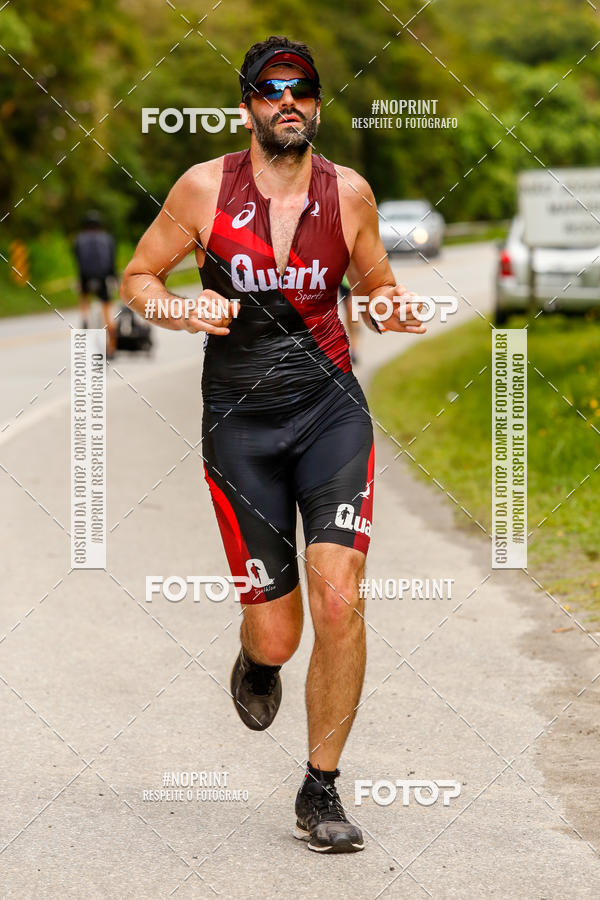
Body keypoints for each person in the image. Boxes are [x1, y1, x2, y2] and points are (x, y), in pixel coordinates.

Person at [121, 35, 426, 855]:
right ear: (249, 105)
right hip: (242, 427)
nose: (287, 101)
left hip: (331, 412)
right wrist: (181, 309)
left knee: (340, 595)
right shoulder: (202, 189)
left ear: (317, 101)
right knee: (281, 635)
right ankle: (257, 659)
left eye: (302, 89)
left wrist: (391, 306)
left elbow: (375, 284)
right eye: (270, 89)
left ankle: (320, 788)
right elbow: (140, 276)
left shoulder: (350, 194)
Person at [74, 210, 117, 356]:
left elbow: (78, 262)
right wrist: (114, 278)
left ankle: (85, 317)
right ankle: (111, 344)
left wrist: (80, 279)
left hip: (85, 276)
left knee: (84, 296)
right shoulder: (107, 238)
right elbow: (111, 262)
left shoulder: (79, 239)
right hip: (103, 276)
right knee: (106, 307)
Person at [338, 273, 361, 364]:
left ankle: (354, 349)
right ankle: (351, 346)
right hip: (342, 278)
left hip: (355, 277)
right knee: (348, 313)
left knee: (353, 311)